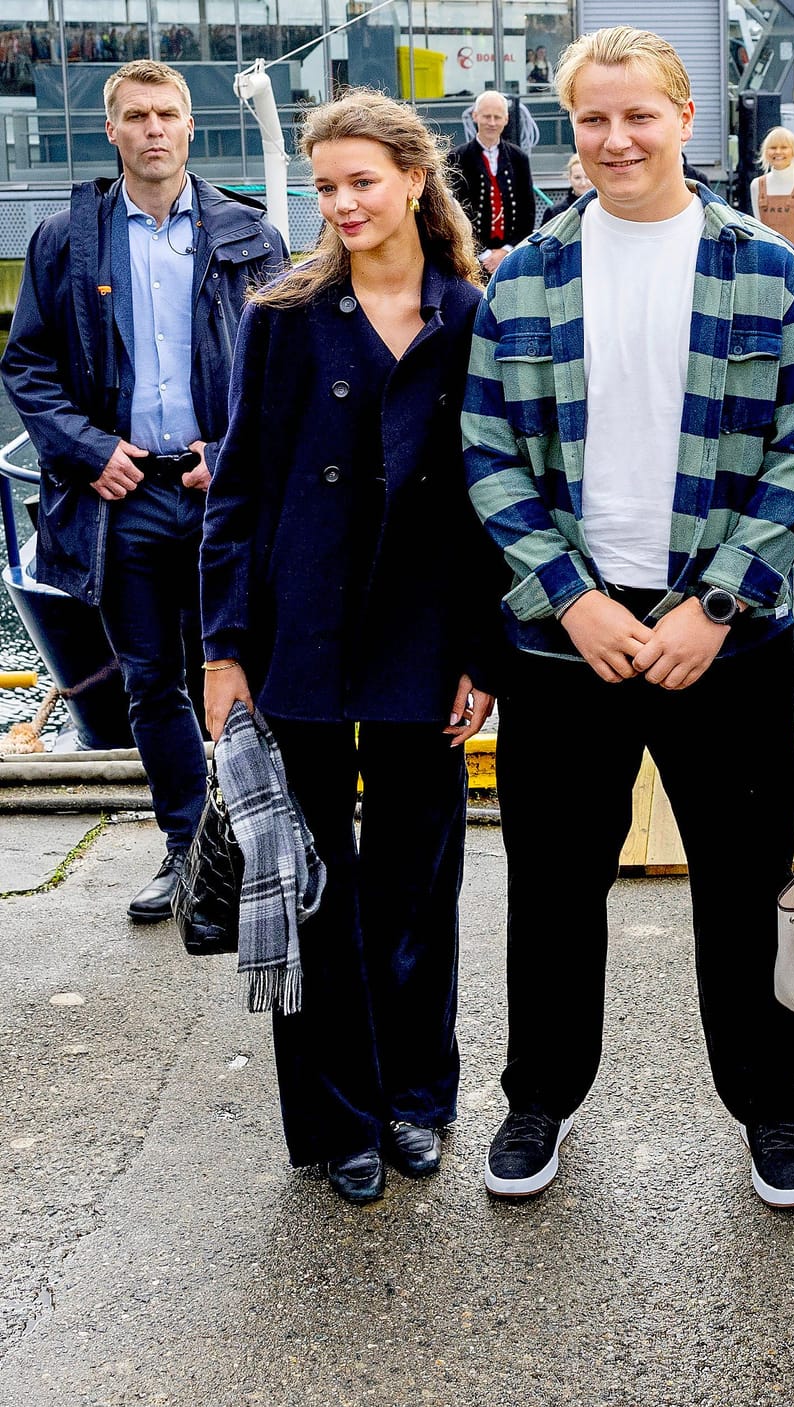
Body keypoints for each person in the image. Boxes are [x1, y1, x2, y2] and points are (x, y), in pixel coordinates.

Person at [462, 26, 794, 1209]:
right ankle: (540, 1097)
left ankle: (772, 1104)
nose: (615, 139)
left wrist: (717, 606)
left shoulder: (768, 271)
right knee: (552, 884)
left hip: (719, 638)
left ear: (686, 118)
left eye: (639, 115)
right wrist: (569, 599)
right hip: (564, 640)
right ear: (566, 128)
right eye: (592, 119)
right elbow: (487, 454)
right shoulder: (521, 276)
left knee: (742, 881)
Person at [200, 89, 500, 1207]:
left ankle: (418, 1097)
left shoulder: (470, 316)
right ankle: (339, 1121)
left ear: (415, 178)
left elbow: (492, 503)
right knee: (309, 883)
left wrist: (486, 651)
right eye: (327, 188)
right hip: (302, 633)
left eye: (362, 181)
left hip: (426, 638)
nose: (343, 204)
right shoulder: (283, 318)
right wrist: (224, 651)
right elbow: (237, 494)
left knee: (419, 885)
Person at [1, 59, 286, 921]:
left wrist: (229, 450)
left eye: (167, 113)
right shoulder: (66, 241)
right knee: (151, 680)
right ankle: (185, 846)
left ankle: (256, 847)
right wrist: (91, 452)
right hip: (121, 497)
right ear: (112, 130)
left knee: (243, 671)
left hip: (219, 491)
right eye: (136, 115)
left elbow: (281, 371)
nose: (153, 128)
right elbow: (28, 365)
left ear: (191, 127)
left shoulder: (249, 234)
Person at [452, 90, 537, 275]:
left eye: (497, 117)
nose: (492, 123)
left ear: (506, 119)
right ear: (475, 116)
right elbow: (454, 212)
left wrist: (506, 251)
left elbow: (527, 209)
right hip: (470, 257)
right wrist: (483, 254)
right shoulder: (456, 158)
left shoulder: (519, 158)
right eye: (486, 116)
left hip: (511, 255)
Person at [749, 125, 794, 248]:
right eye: (773, 147)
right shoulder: (757, 185)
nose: (778, 152)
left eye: (784, 147)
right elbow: (758, 227)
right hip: (768, 258)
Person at [540, 153, 591, 226]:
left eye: (587, 177)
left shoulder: (608, 209)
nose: (583, 183)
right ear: (569, 178)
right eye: (577, 177)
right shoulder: (555, 212)